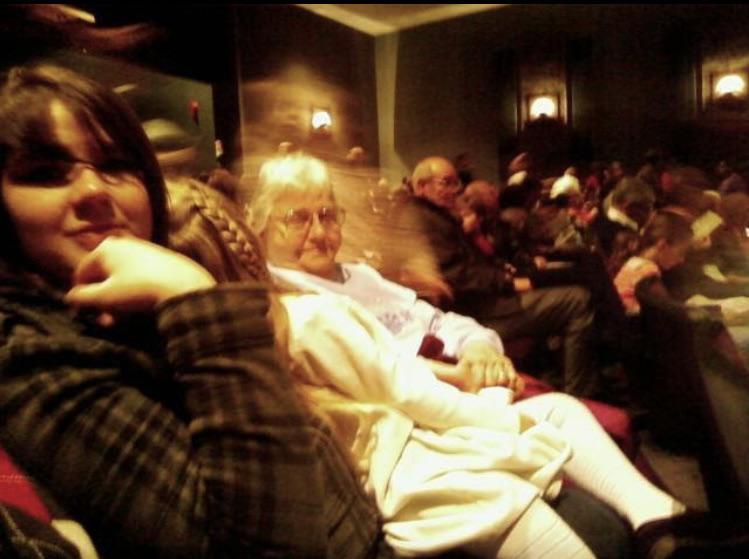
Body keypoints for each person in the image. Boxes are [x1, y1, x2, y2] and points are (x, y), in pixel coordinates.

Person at [242, 152, 749, 559]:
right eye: (297, 217)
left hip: (454, 375)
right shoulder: (298, 305)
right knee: (553, 389)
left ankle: (663, 522)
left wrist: (480, 344)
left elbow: (441, 318)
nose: (318, 228)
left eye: (327, 213)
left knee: (562, 406)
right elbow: (385, 376)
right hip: (413, 421)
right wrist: (462, 374)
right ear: (263, 227)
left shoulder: (356, 275)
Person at [0, 64, 387, 558]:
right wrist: (197, 298)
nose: (93, 191)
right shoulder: (26, 354)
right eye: (46, 174)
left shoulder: (132, 307)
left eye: (116, 165)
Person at [407, 156, 600, 398]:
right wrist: (508, 281)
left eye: (456, 183)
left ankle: (566, 376)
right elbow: (457, 275)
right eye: (446, 183)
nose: (455, 190)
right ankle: (581, 394)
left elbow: (475, 264)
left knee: (579, 273)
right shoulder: (421, 220)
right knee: (578, 299)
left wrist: (505, 273)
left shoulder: (437, 216)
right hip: (476, 310)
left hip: (482, 299)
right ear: (421, 186)